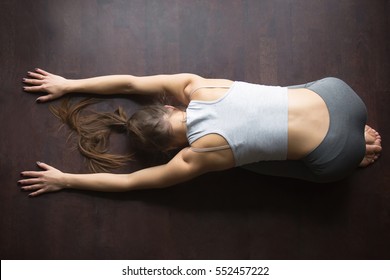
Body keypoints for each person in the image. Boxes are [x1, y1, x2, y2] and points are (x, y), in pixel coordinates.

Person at [19, 68, 382, 197]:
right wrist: (68, 84)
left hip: (336, 157)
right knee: (279, 96)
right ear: (169, 107)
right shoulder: (196, 86)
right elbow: (131, 83)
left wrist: (65, 179)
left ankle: (349, 152)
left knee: (248, 162)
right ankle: (345, 129)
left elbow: (131, 184)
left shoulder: (194, 158)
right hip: (340, 93)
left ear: (166, 151)